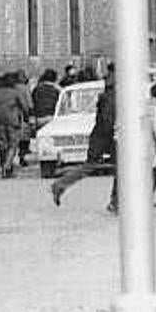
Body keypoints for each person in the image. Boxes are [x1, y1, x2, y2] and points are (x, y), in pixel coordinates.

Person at [52, 68, 118, 213]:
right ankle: (116, 201)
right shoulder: (112, 96)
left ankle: (60, 184)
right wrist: (115, 133)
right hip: (108, 136)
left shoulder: (108, 95)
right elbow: (108, 120)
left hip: (102, 135)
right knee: (120, 168)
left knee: (93, 166)